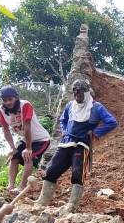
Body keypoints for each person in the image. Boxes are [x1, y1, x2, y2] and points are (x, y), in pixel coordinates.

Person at [36, 79, 118, 212]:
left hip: (82, 144)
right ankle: (42, 201)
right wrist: (64, 130)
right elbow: (63, 120)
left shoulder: (96, 107)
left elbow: (112, 122)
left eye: (79, 95)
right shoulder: (70, 106)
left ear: (86, 93)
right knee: (51, 170)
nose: (77, 97)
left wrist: (95, 133)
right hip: (66, 143)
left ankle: (71, 206)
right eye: (75, 94)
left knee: (78, 173)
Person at [0, 85, 52, 194]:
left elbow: (27, 126)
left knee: (28, 157)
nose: (8, 102)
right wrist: (13, 148)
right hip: (25, 138)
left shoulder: (25, 105)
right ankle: (11, 186)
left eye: (10, 99)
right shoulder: (2, 110)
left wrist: (28, 148)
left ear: (16, 97)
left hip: (40, 139)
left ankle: (22, 187)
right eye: (5, 100)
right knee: (14, 158)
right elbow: (6, 130)